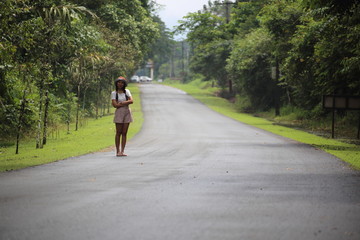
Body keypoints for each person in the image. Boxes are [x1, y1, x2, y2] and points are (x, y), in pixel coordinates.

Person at [111, 76, 133, 157]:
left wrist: (121, 103)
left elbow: (131, 101)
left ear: (124, 84)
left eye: (122, 83)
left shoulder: (127, 92)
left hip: (127, 112)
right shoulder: (114, 93)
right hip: (119, 113)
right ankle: (117, 151)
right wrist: (125, 103)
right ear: (116, 83)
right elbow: (114, 105)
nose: (120, 84)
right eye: (119, 82)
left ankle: (122, 151)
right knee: (118, 132)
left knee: (124, 132)